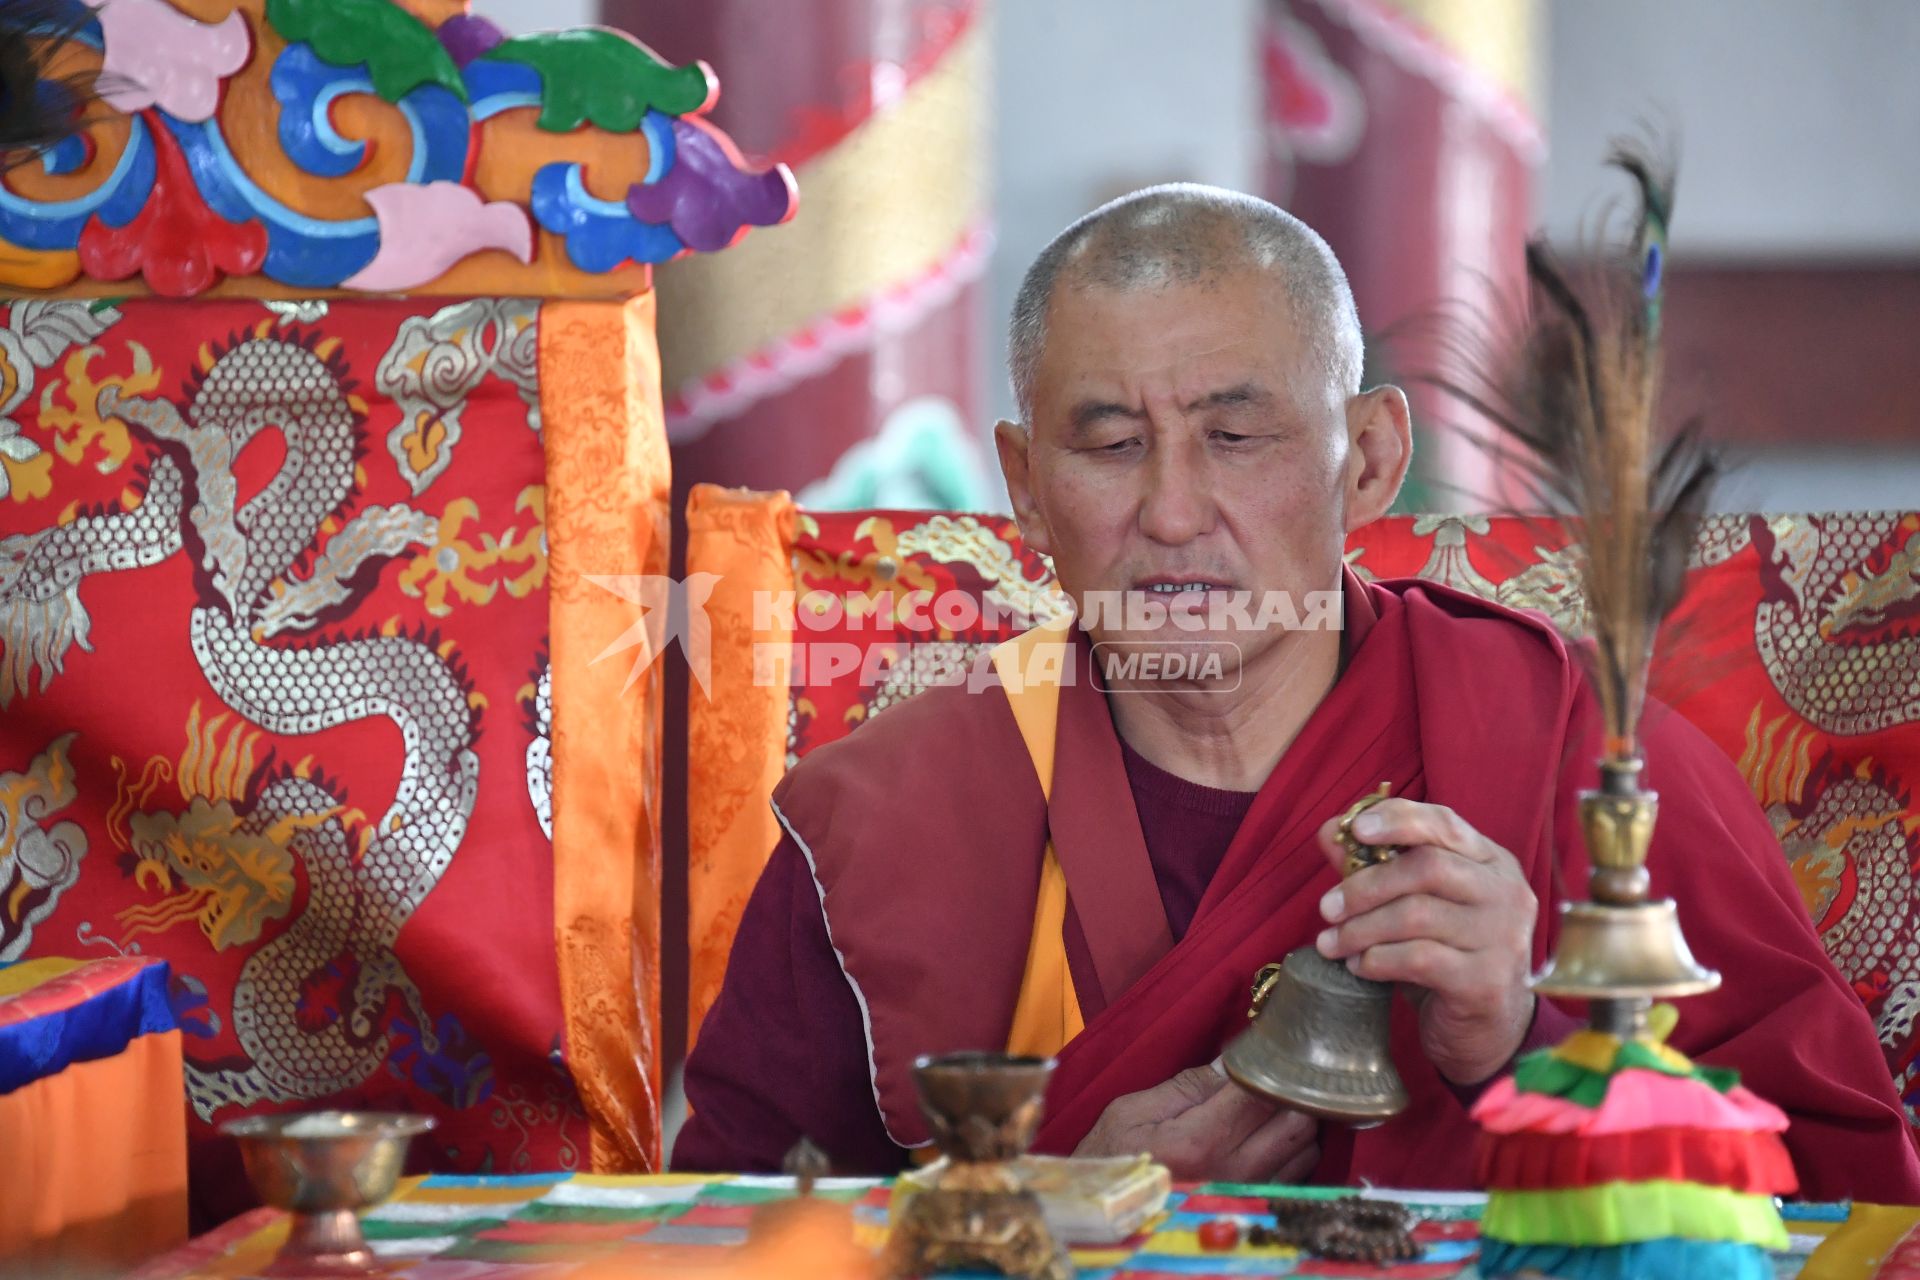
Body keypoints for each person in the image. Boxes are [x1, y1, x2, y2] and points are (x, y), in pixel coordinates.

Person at [673, 184, 1920, 1200]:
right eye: (1109, 444)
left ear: (1368, 458)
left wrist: (1529, 1047)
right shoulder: (889, 823)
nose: (1168, 512)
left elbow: (1852, 1201)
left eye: (1237, 434)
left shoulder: (1574, 759)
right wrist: (1051, 1205)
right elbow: (718, 1239)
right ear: (1027, 485)